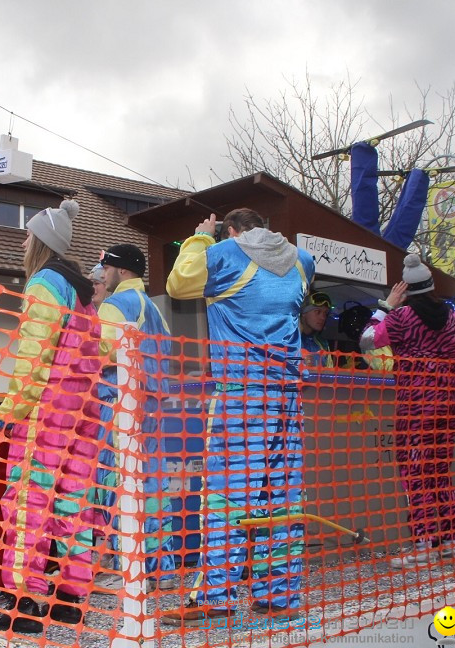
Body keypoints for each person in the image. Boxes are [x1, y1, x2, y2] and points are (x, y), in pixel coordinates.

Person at [163, 208, 314, 623]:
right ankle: (278, 596)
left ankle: (217, 596)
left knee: (224, 500)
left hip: (240, 396)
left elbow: (178, 284)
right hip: (287, 399)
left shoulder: (225, 253)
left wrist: (200, 238)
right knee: (281, 499)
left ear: (231, 230)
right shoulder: (302, 260)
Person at [0, 199, 106, 635]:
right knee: (75, 504)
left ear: (42, 242)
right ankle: (70, 599)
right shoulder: (84, 293)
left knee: (27, 501)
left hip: (48, 411)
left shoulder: (44, 285)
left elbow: (34, 355)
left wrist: (13, 408)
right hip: (86, 411)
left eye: (28, 233)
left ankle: (23, 601)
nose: (22, 239)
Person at [360, 254, 455, 567]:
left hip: (416, 404)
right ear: (431, 286)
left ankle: (423, 543)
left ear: (405, 290)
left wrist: (385, 306)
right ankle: (453, 541)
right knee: (440, 472)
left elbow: (367, 341)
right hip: (448, 402)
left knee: (415, 473)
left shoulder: (402, 316)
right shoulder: (453, 317)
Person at [92, 243, 177, 591]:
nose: (102, 275)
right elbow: (167, 351)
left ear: (121, 270)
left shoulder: (115, 305)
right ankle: (163, 569)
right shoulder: (153, 309)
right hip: (152, 405)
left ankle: (128, 570)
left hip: (120, 403)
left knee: (119, 483)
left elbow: (101, 348)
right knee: (152, 485)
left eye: (105, 268)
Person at [300, 290, 335, 369]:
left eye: (325, 313)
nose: (323, 317)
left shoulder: (322, 343)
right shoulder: (289, 341)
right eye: (317, 311)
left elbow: (329, 374)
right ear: (304, 313)